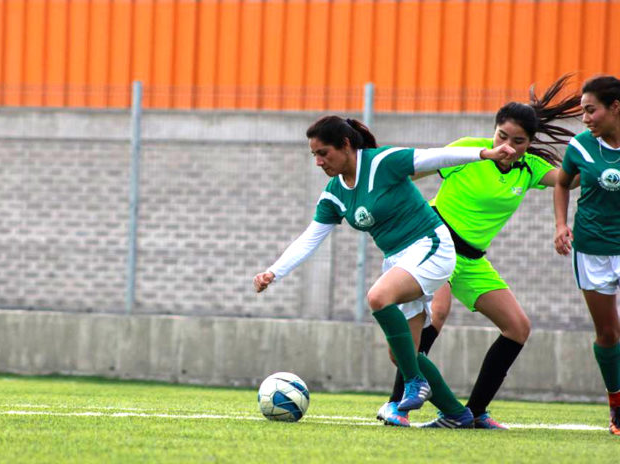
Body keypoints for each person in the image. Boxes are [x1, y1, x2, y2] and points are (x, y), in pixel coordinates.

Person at [253, 115, 516, 428]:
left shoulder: (382, 162)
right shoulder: (335, 192)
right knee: (402, 353)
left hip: (431, 245)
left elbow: (435, 156)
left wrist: (484, 153)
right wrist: (273, 272)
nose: (319, 161)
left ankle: (415, 383)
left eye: (324, 153)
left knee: (378, 296)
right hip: (398, 260)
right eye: (314, 155)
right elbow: (311, 237)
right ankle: (456, 415)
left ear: (346, 145)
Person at [379, 74, 582, 429]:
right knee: (436, 313)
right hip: (435, 244)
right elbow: (410, 174)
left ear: (529, 143)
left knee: (518, 327)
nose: (507, 145)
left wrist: (596, 154)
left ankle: (473, 413)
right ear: (494, 131)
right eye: (501, 136)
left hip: (472, 259)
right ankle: (398, 405)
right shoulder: (469, 150)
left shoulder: (530, 169)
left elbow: (569, 180)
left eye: (518, 141)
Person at [554, 75, 620, 436]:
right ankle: (616, 405)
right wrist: (561, 225)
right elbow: (563, 182)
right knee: (608, 333)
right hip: (592, 249)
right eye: (582, 111)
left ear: (615, 108)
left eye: (590, 110)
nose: (585, 118)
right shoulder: (580, 146)